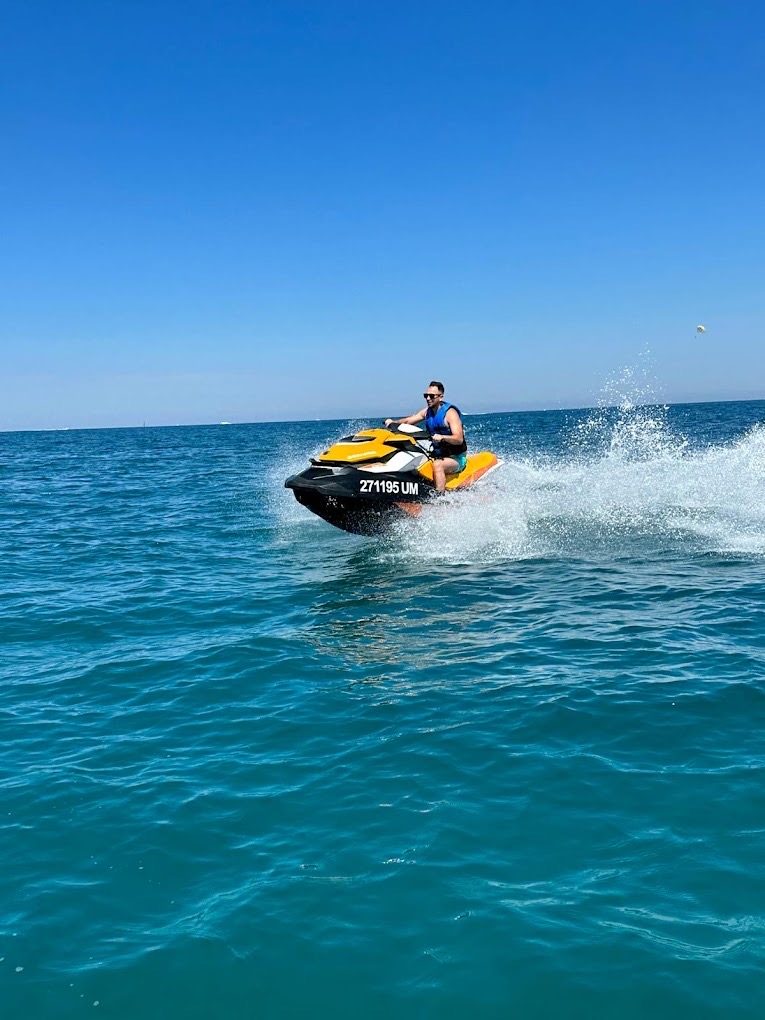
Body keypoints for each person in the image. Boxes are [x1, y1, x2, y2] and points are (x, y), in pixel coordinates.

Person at [384, 381, 468, 492]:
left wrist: (442, 437)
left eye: (432, 396)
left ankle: (440, 497)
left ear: (440, 397)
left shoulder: (450, 414)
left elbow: (459, 439)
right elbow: (409, 421)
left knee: (438, 465)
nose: (428, 398)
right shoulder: (427, 412)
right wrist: (393, 423)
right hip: (438, 454)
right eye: (426, 395)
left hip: (456, 458)